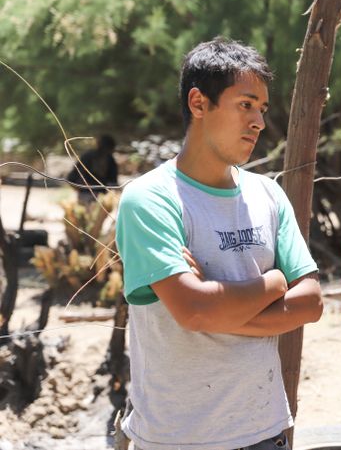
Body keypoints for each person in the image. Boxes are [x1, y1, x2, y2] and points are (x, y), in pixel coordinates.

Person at [115, 38, 323, 450]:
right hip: (177, 439)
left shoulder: (268, 194)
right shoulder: (151, 199)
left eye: (262, 109)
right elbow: (193, 310)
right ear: (198, 103)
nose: (259, 123)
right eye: (245, 104)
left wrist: (215, 308)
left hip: (265, 433)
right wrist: (275, 282)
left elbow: (312, 302)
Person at [67, 133, 119, 204]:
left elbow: (113, 182)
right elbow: (71, 178)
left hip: (101, 197)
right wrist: (80, 188)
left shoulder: (110, 160)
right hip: (85, 194)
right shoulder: (87, 157)